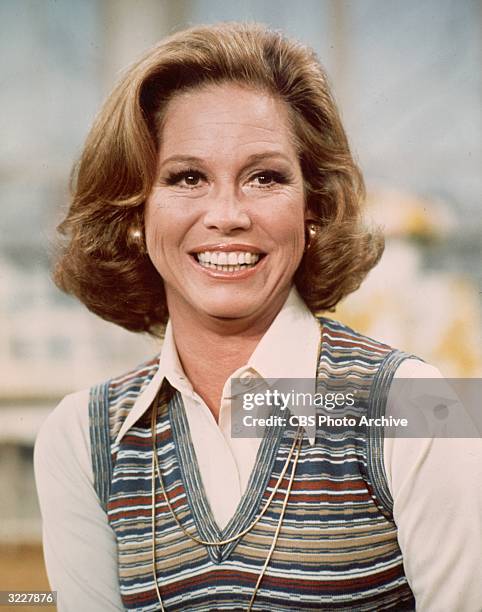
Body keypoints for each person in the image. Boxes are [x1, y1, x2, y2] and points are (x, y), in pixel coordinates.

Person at [34, 22, 482, 612]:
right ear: (134, 213)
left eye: (264, 177)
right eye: (187, 177)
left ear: (312, 209)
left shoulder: (422, 405)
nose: (227, 214)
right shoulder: (83, 438)